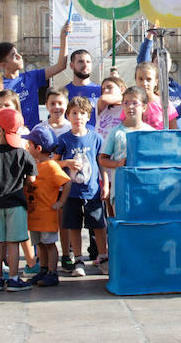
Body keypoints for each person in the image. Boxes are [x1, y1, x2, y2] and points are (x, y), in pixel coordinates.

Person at [0, 107, 38, 291]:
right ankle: (13, 278)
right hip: (16, 204)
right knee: (13, 242)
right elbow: (32, 178)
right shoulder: (23, 153)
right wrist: (23, 184)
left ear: (0, 129)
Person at [0, 22, 71, 129]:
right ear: (3, 65)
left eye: (17, 53)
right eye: (14, 56)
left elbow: (60, 66)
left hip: (32, 134)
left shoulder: (32, 77)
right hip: (10, 134)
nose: (19, 56)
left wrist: (63, 38)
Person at [56, 96, 108, 276]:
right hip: (71, 192)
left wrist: (105, 184)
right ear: (68, 116)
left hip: (92, 191)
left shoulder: (95, 138)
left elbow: (102, 163)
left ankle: (103, 257)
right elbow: (54, 163)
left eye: (82, 113)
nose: (78, 116)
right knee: (74, 226)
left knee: (99, 225)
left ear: (88, 116)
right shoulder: (64, 139)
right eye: (74, 113)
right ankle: (78, 259)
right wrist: (67, 163)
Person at [23, 126, 72, 286]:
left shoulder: (51, 166)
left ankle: (52, 273)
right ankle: (43, 270)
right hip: (35, 215)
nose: (27, 147)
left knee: (49, 245)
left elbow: (66, 182)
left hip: (47, 215)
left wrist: (61, 202)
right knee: (40, 245)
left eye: (29, 145)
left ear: (37, 148)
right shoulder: (34, 165)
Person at [98, 86, 154, 216]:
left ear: (144, 107)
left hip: (144, 189)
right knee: (124, 226)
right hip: (121, 190)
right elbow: (103, 159)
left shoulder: (150, 132)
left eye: (135, 103)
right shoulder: (116, 131)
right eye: (126, 103)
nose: (130, 107)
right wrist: (118, 164)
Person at [137, 30, 181, 123]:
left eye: (166, 60)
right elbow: (142, 60)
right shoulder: (148, 85)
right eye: (158, 61)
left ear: (171, 62)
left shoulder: (178, 88)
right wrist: (150, 34)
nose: (163, 63)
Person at [135, 62, 179, 130]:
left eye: (148, 79)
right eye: (141, 79)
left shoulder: (164, 104)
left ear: (156, 81)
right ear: (136, 80)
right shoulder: (130, 103)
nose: (144, 83)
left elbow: (173, 130)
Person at [65, 50, 102, 128]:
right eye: (80, 62)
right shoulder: (63, 93)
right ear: (71, 65)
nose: (85, 65)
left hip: (95, 138)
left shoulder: (101, 91)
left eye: (88, 62)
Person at [95, 75, 127, 141]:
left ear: (122, 89)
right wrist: (127, 97)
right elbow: (103, 98)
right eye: (103, 89)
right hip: (100, 149)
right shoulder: (103, 107)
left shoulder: (127, 108)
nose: (106, 91)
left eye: (110, 87)